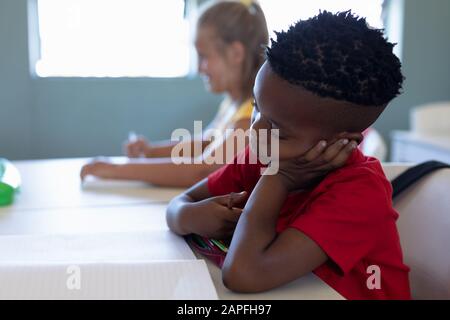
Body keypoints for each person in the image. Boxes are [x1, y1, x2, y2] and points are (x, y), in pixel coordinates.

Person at [166, 11, 411, 299]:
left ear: (342, 142)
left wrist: (279, 178)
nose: (256, 129)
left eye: (279, 130)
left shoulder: (360, 193)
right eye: (257, 108)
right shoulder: (264, 151)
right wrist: (190, 216)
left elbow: (243, 274)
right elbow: (178, 204)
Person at [80, 0, 269, 187]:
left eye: (204, 57)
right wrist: (151, 152)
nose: (198, 68)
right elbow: (205, 144)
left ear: (236, 53)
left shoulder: (250, 118)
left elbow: (202, 170)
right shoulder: (233, 104)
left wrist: (115, 170)